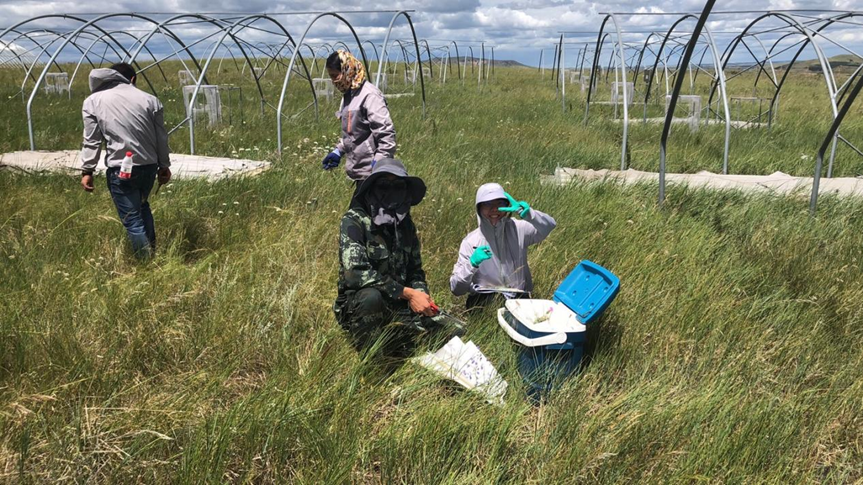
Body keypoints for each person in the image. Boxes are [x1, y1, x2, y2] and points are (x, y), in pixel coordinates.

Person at [334, 158, 462, 355]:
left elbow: (415, 270)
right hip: (363, 305)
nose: (390, 192)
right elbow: (355, 274)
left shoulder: (405, 225)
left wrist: (421, 296)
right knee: (371, 298)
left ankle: (404, 340)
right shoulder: (354, 221)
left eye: (398, 186)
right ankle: (374, 364)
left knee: (454, 330)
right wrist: (408, 293)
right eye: (384, 185)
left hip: (400, 304)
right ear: (372, 188)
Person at [80, 62, 171, 259]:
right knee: (143, 206)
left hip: (120, 168)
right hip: (148, 166)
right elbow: (161, 137)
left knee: (132, 220)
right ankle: (151, 253)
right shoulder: (150, 100)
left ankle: (146, 263)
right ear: (132, 79)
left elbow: (92, 140)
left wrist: (87, 170)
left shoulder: (93, 101)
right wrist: (164, 166)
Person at [450, 183, 557, 309]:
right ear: (478, 208)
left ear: (507, 205)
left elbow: (549, 226)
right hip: (484, 300)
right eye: (487, 204)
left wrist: (531, 215)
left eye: (500, 203)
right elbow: (456, 289)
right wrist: (472, 264)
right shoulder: (471, 242)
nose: (494, 209)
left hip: (519, 297)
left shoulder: (519, 228)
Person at [320, 50, 396, 199]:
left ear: (347, 69)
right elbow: (353, 132)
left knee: (371, 217)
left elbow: (386, 135)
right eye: (330, 77)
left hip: (373, 174)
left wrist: (379, 164)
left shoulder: (370, 95)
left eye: (335, 75)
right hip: (360, 172)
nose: (333, 81)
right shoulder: (348, 95)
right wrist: (338, 150)